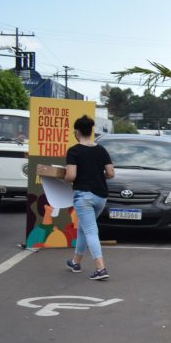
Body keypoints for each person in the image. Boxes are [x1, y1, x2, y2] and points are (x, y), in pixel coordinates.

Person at [64, 115, 115, 281]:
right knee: (84, 229)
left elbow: (71, 176)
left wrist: (62, 177)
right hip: (101, 196)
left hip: (83, 196)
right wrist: (96, 175)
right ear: (91, 131)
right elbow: (111, 173)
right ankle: (75, 262)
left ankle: (101, 268)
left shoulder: (74, 151)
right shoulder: (101, 150)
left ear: (76, 132)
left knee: (91, 231)